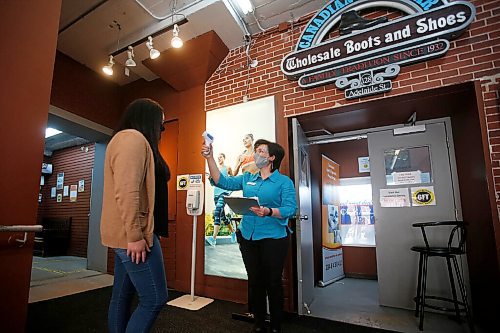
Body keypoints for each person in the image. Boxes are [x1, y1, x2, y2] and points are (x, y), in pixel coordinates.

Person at [202, 138, 297, 333]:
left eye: (261, 151)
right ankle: (259, 324)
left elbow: (290, 208)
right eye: (256, 150)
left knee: (273, 281)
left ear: (272, 157)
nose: (256, 154)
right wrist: (210, 157)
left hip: (273, 238)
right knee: (255, 280)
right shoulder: (247, 178)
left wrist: (269, 211)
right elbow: (222, 180)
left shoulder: (283, 182)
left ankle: (276, 325)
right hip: (248, 237)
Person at [100, 98, 169, 333]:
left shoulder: (135, 141)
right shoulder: (132, 139)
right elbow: (127, 191)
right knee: (154, 298)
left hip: (130, 234)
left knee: (122, 295)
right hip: (135, 235)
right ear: (147, 118)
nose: (162, 129)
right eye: (161, 124)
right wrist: (135, 235)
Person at [206, 153, 236, 246]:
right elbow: (212, 183)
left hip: (224, 193)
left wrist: (229, 190)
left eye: (221, 157)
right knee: (222, 216)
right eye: (218, 158)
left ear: (224, 158)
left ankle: (213, 238)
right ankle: (233, 232)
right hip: (216, 194)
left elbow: (233, 178)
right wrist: (209, 178)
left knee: (217, 211)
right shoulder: (215, 170)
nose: (219, 159)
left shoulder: (228, 168)